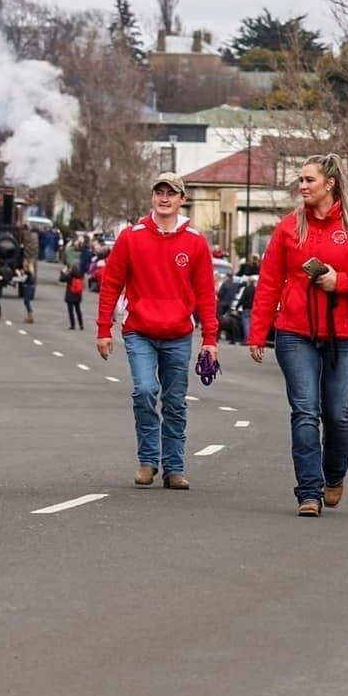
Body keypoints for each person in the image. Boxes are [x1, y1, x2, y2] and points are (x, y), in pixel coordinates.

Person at [248, 154, 348, 516]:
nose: (303, 186)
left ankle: (334, 476)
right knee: (305, 412)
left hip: (343, 336)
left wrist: (339, 282)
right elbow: (269, 282)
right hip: (294, 333)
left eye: (309, 180)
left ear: (330, 184)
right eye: (301, 180)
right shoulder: (288, 228)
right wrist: (258, 332)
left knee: (337, 414)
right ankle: (308, 493)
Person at [96, 171, 219, 492]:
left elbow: (206, 293)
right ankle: (148, 460)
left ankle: (174, 468)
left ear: (182, 199)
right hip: (139, 330)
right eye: (159, 192)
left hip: (178, 333)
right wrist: (103, 328)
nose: (164, 198)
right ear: (152, 197)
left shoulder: (195, 241)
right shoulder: (131, 236)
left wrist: (210, 340)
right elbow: (111, 284)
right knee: (146, 391)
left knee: (175, 401)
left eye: (171, 193)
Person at [64, 262, 86, 330]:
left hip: (70, 296)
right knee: (78, 310)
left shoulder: (69, 276)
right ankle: (81, 324)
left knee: (71, 311)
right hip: (77, 296)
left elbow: (61, 278)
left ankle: (72, 325)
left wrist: (64, 271)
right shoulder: (80, 276)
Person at [18, 258, 37, 324]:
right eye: (23, 262)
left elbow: (23, 279)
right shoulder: (26, 271)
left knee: (26, 301)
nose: (23, 263)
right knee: (26, 302)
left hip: (28, 287)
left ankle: (30, 317)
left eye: (25, 262)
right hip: (26, 287)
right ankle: (29, 317)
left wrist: (20, 273)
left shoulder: (28, 271)